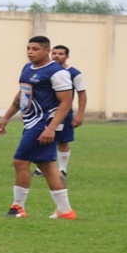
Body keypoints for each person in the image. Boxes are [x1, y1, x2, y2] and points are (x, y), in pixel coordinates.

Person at [0, 36, 77, 220]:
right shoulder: (27, 68)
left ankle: (18, 207)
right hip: (31, 122)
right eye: (28, 48)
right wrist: (7, 116)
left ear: (47, 51)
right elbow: (22, 95)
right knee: (47, 166)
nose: (30, 52)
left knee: (20, 161)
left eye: (35, 49)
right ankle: (66, 211)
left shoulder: (57, 72)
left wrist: (51, 128)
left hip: (44, 124)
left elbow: (66, 102)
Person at [34, 44, 87, 180]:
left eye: (61, 54)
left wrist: (80, 114)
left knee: (63, 141)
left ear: (67, 56)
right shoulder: (46, 70)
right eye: (55, 53)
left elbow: (82, 94)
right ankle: (41, 168)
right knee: (41, 139)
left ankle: (62, 169)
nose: (57, 56)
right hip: (44, 113)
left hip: (63, 112)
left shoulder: (75, 73)